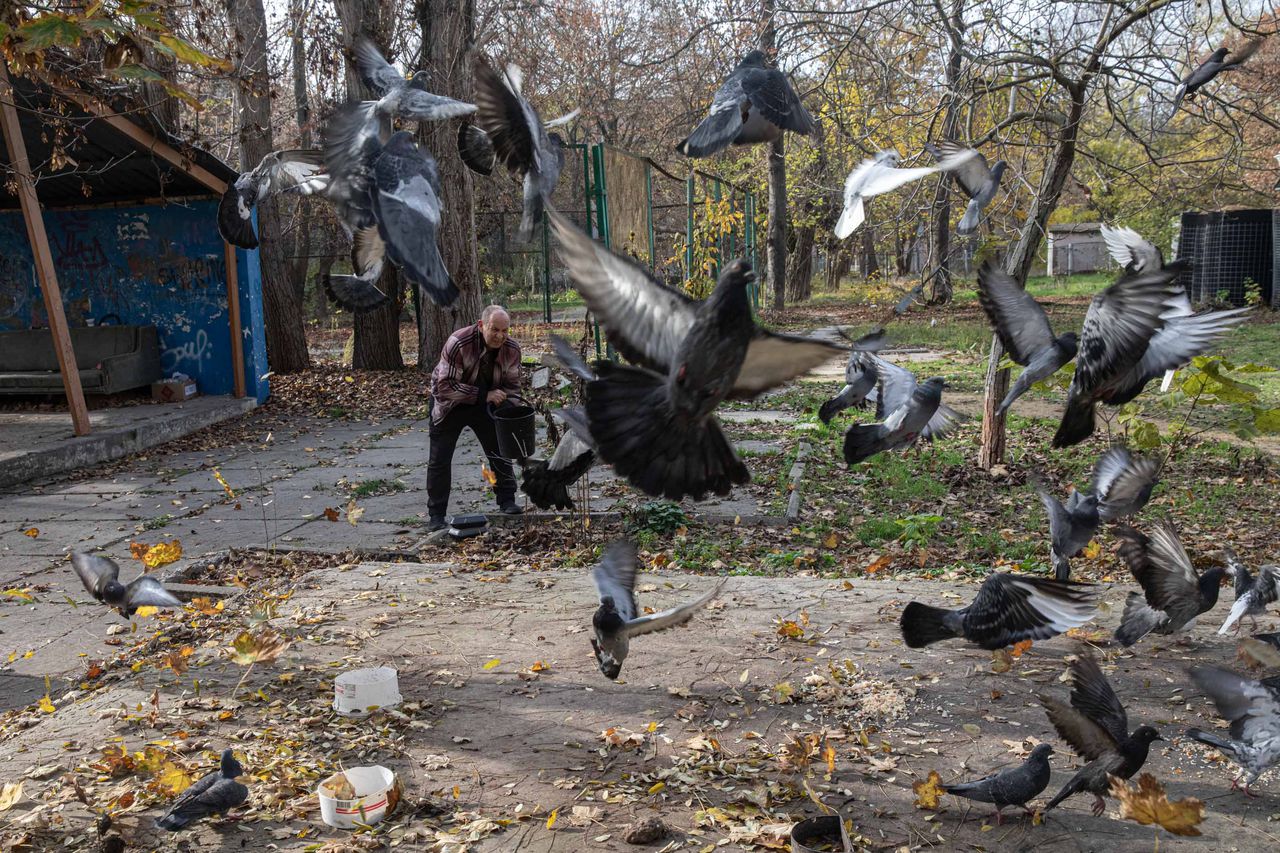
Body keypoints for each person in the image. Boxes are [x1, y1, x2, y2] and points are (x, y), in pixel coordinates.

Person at [427, 305, 523, 530]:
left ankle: (507, 500)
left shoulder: (512, 349)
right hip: (450, 404)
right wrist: (483, 394)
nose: (500, 336)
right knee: (440, 458)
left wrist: (511, 413)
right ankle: (436, 515)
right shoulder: (459, 342)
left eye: (505, 331)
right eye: (494, 330)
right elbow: (444, 386)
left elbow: (513, 387)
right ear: (481, 326)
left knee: (500, 450)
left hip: (486, 404)